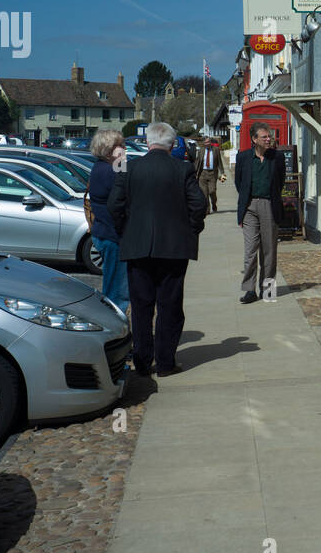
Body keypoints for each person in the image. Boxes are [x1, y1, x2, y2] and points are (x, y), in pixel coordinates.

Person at [109, 121, 207, 377]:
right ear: (173, 144)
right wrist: (190, 230)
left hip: (138, 247)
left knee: (141, 309)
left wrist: (126, 232)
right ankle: (165, 363)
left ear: (147, 142)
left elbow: (114, 206)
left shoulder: (128, 167)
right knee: (170, 307)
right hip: (173, 249)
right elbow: (198, 205)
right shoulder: (182, 168)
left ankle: (142, 363)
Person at [234, 124, 285, 304]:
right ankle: (249, 290)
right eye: (264, 137)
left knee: (269, 251)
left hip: (269, 205)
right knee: (250, 251)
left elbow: (281, 181)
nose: (268, 139)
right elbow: (239, 183)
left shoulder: (277, 158)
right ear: (254, 140)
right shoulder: (243, 158)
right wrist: (247, 202)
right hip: (249, 207)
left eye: (269, 136)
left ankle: (268, 290)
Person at [87, 129, 130, 313]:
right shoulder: (109, 171)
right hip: (112, 237)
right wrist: (123, 163)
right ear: (107, 150)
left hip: (104, 233)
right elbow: (128, 191)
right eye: (119, 145)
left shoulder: (100, 167)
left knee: (114, 285)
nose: (124, 148)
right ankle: (115, 329)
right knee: (117, 291)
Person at [194, 135, 226, 214]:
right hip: (203, 174)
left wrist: (223, 173)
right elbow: (197, 163)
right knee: (204, 193)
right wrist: (194, 173)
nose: (207, 143)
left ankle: (214, 204)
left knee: (212, 191)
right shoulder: (201, 151)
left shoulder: (216, 150)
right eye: (205, 142)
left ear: (210, 142)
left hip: (213, 174)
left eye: (208, 142)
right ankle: (207, 210)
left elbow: (220, 162)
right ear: (203, 143)